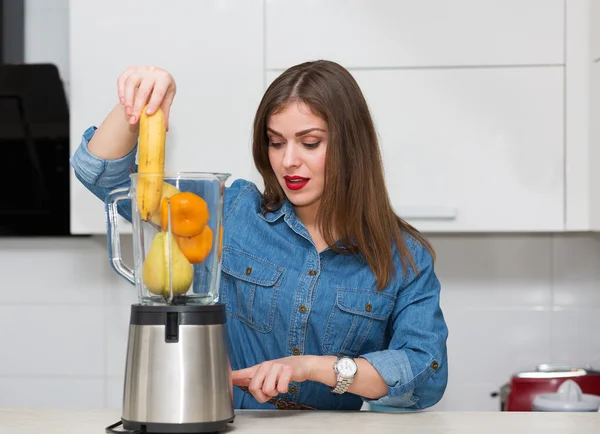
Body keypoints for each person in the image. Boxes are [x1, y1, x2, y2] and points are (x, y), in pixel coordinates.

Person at [70, 60, 448, 411]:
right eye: (276, 142)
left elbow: (425, 376)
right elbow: (102, 176)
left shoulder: (405, 256)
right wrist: (139, 103)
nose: (288, 161)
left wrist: (314, 367)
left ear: (352, 146)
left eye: (310, 142)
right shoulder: (230, 213)